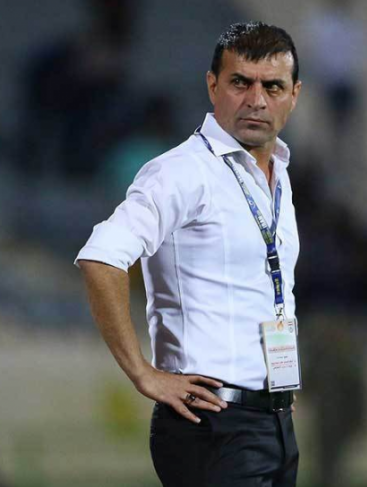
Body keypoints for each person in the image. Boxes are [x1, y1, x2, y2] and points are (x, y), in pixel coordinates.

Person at [77, 22, 303, 487]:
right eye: (241, 82)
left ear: (293, 95)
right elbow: (101, 258)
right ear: (212, 85)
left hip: (271, 418)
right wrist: (143, 373)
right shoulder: (182, 172)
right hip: (213, 422)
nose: (257, 100)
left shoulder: (276, 173)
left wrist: (272, 383)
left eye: (272, 86)